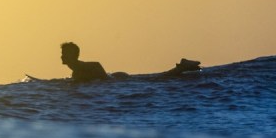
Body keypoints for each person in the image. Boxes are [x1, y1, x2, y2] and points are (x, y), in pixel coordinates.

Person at [60, 41, 200, 82]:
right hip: (117, 77)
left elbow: (96, 64)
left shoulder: (80, 67)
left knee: (158, 79)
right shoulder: (76, 71)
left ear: (73, 55)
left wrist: (106, 80)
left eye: (64, 54)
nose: (61, 57)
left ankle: (181, 67)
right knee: (157, 78)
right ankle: (181, 67)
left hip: (120, 79)